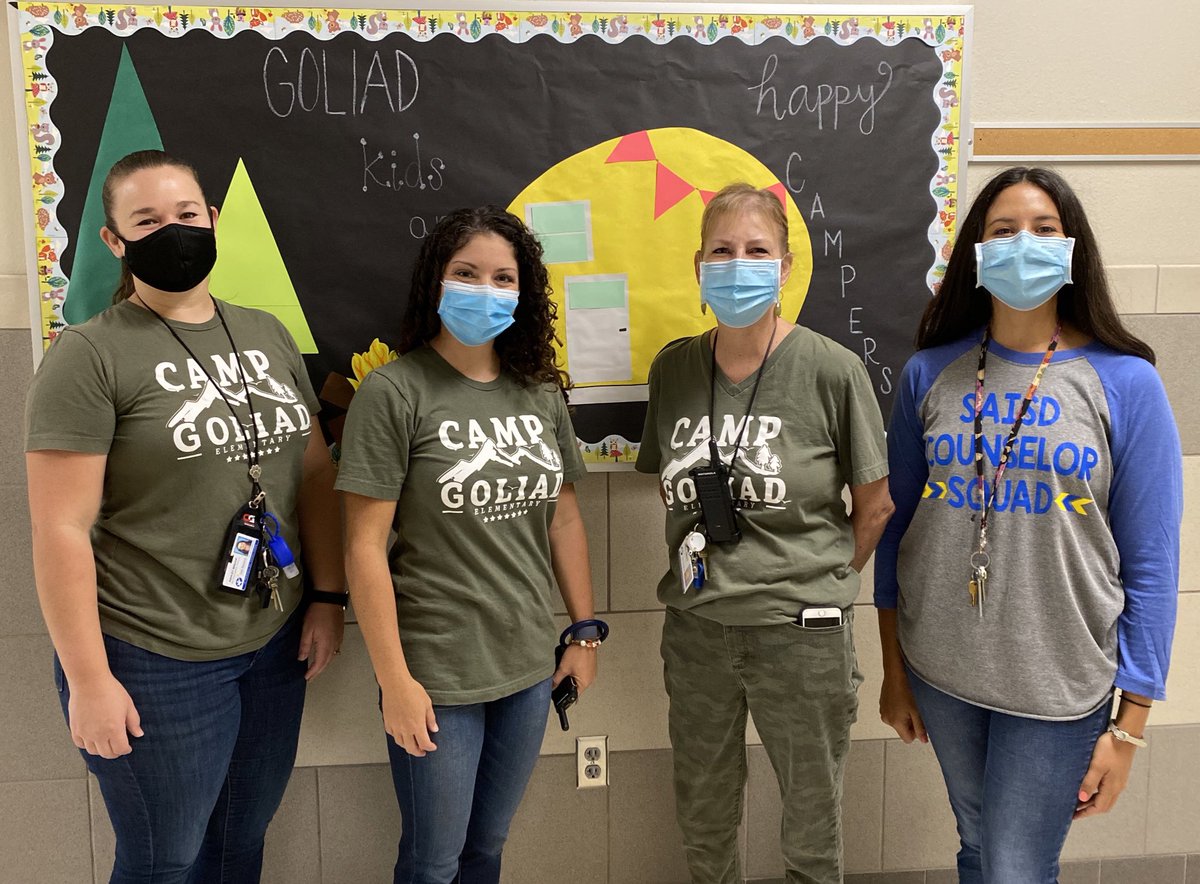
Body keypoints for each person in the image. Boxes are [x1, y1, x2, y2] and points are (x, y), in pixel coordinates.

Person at [24, 150, 346, 883]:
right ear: (114, 240)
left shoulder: (265, 333)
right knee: (164, 860)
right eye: (146, 220)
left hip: (271, 643)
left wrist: (327, 598)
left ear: (213, 220)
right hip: (152, 657)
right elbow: (60, 528)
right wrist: (89, 680)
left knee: (240, 842)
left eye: (186, 214)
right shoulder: (88, 355)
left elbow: (316, 475)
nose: (172, 231)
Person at [874, 167, 1183, 883]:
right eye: (1003, 230)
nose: (1023, 244)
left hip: (1060, 684)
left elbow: (1153, 561)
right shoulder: (929, 374)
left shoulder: (1126, 381)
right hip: (943, 669)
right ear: (976, 255)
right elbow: (894, 533)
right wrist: (894, 670)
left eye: (1044, 230)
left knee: (1017, 866)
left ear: (1072, 249)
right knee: (979, 845)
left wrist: (1129, 728)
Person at [636, 183, 895, 884]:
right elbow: (668, 482)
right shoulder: (673, 368)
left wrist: (823, 575)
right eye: (722, 250)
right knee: (705, 817)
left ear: (784, 268)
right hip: (697, 635)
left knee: (812, 827)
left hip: (801, 635)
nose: (739, 263)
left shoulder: (833, 371)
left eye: (756, 250)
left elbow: (874, 506)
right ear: (698, 267)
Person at [337, 206, 601, 884]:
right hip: (436, 673)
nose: (485, 289)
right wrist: (394, 680)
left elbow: (564, 518)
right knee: (432, 861)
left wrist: (584, 634)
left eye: (503, 277)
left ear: (524, 293)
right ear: (437, 282)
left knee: (487, 847)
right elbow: (364, 548)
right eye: (467, 273)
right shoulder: (395, 392)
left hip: (524, 667)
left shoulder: (538, 394)